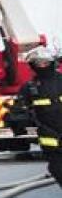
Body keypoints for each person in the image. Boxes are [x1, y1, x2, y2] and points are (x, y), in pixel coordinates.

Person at [7, 45, 62, 189]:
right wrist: (16, 119)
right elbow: (19, 109)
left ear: (52, 62)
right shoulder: (29, 87)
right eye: (39, 63)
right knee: (57, 168)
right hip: (48, 133)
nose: (43, 66)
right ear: (33, 65)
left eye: (45, 62)